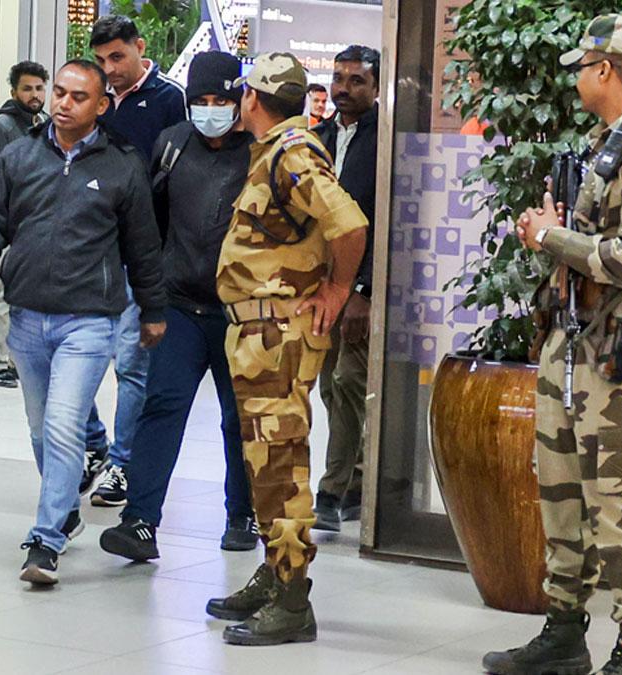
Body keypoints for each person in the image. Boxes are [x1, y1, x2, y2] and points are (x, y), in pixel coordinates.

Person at [484, 14, 622, 675]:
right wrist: (553, 233)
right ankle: (564, 632)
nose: (576, 77)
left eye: (583, 66)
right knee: (561, 493)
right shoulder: (607, 143)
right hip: (574, 343)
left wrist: (549, 236)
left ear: (606, 70)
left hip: (619, 355)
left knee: (620, 504)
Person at [0, 60, 167, 586]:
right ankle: (67, 510)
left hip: (89, 324)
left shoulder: (122, 166)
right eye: (60, 93)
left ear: (100, 106)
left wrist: (154, 311)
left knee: (63, 425)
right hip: (26, 319)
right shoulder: (19, 155)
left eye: (77, 96)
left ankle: (46, 541)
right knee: (39, 428)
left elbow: (142, 246)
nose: (63, 103)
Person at [208, 52, 367, 646]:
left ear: (252, 98)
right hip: (258, 335)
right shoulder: (275, 151)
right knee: (264, 463)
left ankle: (292, 597)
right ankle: (277, 575)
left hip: (278, 335)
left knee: (280, 464)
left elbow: (349, 224)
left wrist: (336, 288)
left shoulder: (292, 154)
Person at [98, 51, 258, 560]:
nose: (211, 110)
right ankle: (140, 520)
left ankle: (241, 515)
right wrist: (150, 298)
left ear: (240, 101)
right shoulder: (171, 146)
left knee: (240, 419)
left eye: (222, 101)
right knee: (161, 407)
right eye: (202, 101)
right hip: (180, 307)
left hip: (240, 315)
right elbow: (150, 224)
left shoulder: (260, 152)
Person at [82, 14, 187, 508]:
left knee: (131, 365)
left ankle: (122, 464)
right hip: (90, 252)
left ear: (139, 48)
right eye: (101, 61)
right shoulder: (94, 103)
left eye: (117, 58)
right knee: (66, 355)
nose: (110, 69)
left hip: (141, 256)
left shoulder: (170, 102)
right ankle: (94, 443)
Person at [310, 45, 380, 533]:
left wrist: (364, 289)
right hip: (319, 284)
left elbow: (385, 221)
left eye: (356, 80)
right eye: (338, 78)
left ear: (376, 88)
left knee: (348, 382)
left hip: (359, 287)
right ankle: (355, 478)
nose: (344, 88)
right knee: (328, 388)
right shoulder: (317, 138)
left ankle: (331, 492)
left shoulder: (387, 141)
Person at [0, 60, 49, 389]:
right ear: (14, 92)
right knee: (4, 292)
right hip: (11, 222)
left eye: (39, 88)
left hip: (44, 223)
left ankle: (19, 358)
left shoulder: (48, 123)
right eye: (27, 88)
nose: (35, 95)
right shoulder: (2, 126)